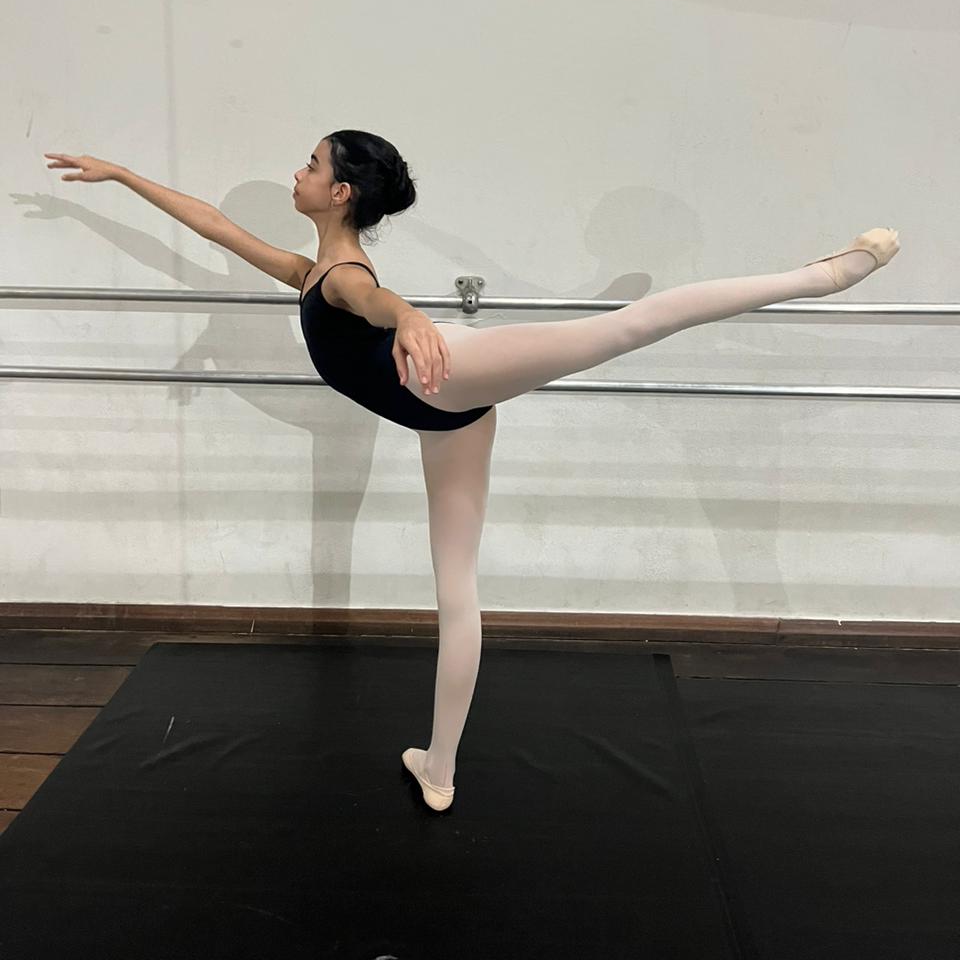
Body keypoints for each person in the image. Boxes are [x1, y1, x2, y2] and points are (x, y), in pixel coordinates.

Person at [43, 134, 900, 812]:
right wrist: (122, 177)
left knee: (630, 325)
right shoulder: (310, 271)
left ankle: (827, 274)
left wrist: (412, 317)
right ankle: (439, 768)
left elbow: (377, 301)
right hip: (446, 417)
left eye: (310, 164)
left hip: (453, 371)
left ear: (341, 192)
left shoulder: (343, 277)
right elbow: (214, 227)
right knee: (456, 590)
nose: (295, 174)